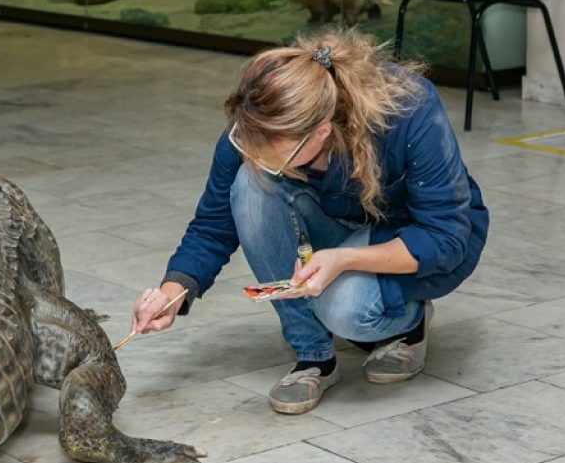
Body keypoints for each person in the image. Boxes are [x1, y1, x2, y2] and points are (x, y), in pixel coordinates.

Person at [131, 29, 488, 414]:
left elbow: (444, 237)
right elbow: (213, 224)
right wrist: (172, 292)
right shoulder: (256, 122)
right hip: (335, 224)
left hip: (407, 239)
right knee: (249, 186)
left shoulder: (409, 106)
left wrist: (343, 260)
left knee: (348, 311)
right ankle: (313, 353)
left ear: (320, 133)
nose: (263, 159)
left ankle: (409, 324)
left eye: (277, 156)